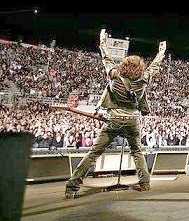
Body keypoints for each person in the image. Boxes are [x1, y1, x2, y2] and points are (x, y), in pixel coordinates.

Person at [65, 29, 166, 197]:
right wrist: (161, 51)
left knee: (94, 153)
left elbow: (106, 58)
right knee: (137, 152)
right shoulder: (144, 78)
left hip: (114, 119)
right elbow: (155, 66)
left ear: (124, 65)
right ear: (140, 67)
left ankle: (72, 187)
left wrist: (102, 41)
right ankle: (145, 183)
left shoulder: (114, 75)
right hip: (133, 120)